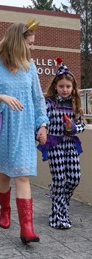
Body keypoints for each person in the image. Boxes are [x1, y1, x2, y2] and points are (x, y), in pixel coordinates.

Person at [0, 20, 49, 244]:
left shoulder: (30, 68)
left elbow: (37, 99)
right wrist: (0, 97)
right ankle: (5, 211)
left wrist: (41, 124)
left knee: (23, 175)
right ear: (18, 42)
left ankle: (27, 228)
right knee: (4, 174)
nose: (33, 48)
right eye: (30, 44)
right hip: (1, 129)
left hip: (23, 130)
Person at [37, 57, 85, 230]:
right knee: (58, 179)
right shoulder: (49, 104)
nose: (65, 90)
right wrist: (41, 131)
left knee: (74, 178)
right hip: (55, 144)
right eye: (61, 86)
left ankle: (60, 200)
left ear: (73, 88)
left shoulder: (75, 105)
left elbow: (82, 124)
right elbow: (41, 120)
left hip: (70, 144)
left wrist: (73, 128)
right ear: (55, 87)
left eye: (68, 86)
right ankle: (57, 215)